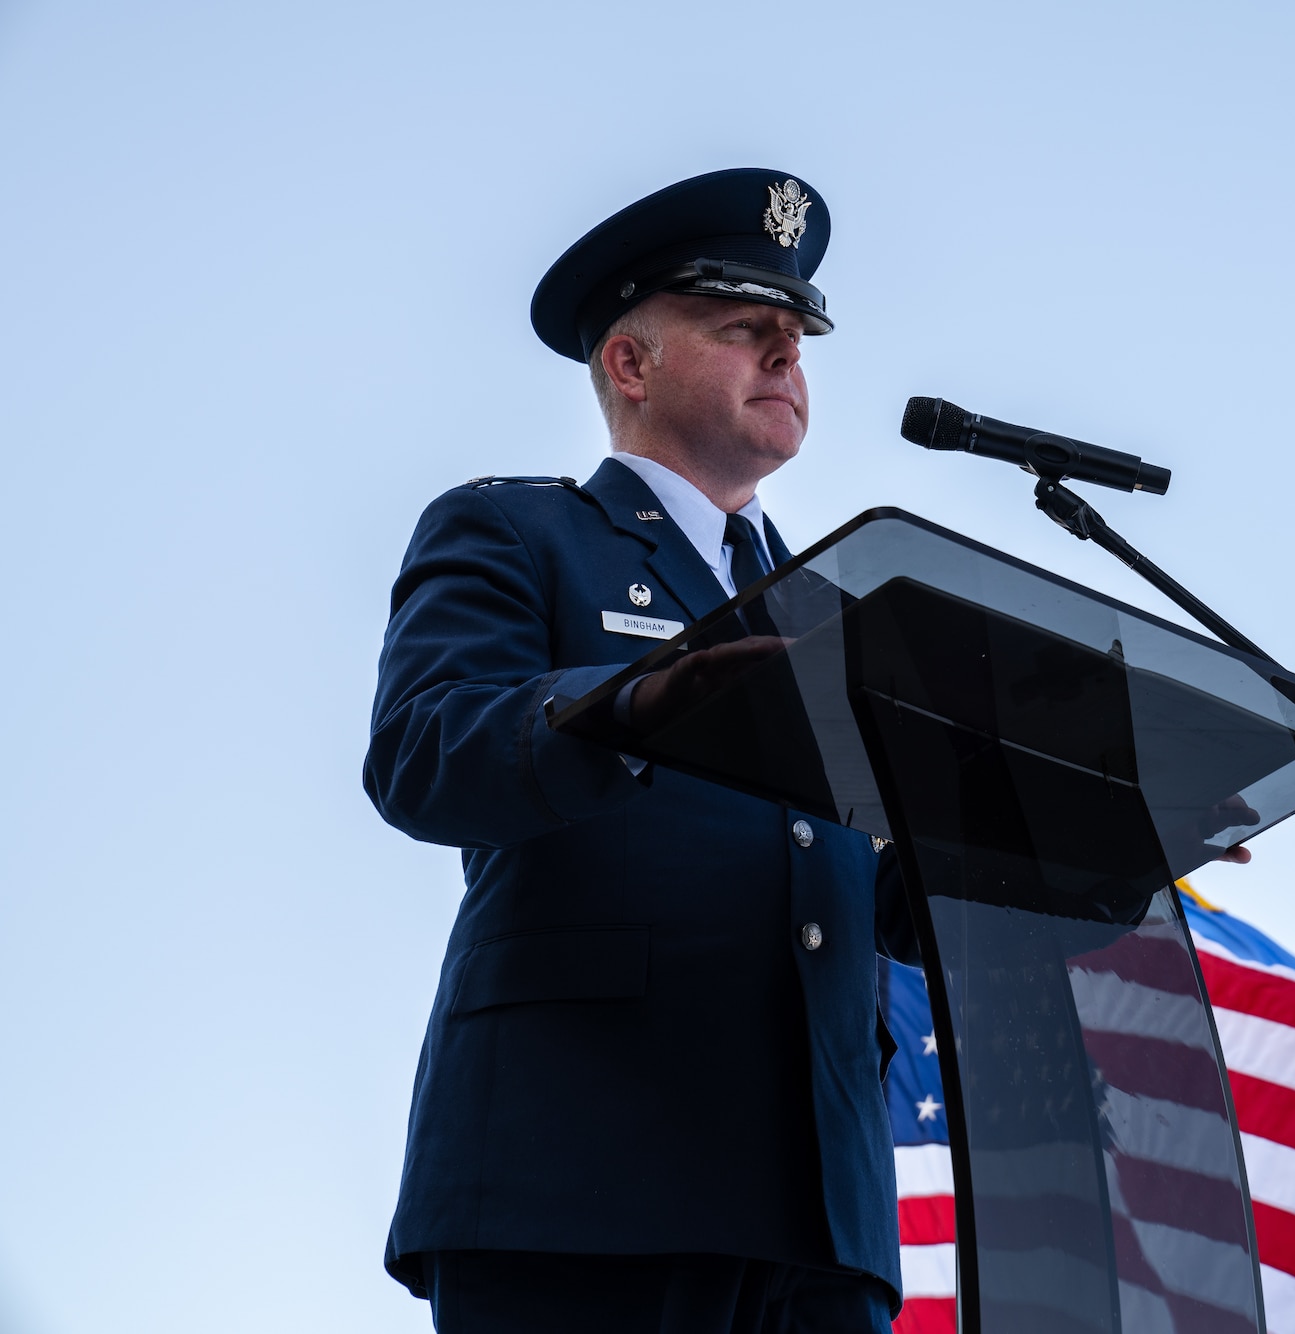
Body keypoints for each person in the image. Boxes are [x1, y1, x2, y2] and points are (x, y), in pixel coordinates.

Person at [365, 168, 916, 1333]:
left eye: (796, 338)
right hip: (580, 1180)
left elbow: (865, 887)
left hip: (820, 1215)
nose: (786, 357)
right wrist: (629, 703)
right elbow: (424, 748)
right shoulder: (517, 531)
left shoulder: (839, 616)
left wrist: (1056, 847)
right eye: (744, 328)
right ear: (630, 362)